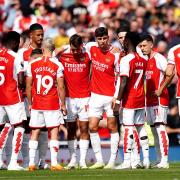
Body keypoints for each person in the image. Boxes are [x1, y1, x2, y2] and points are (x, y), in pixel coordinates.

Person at [26, 38, 66, 171]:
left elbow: (28, 85)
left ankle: (31, 163)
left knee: (35, 132)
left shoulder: (32, 64)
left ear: (43, 50)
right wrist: (64, 104)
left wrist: (30, 103)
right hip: (51, 103)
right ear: (53, 50)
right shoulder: (58, 65)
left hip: (37, 103)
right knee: (54, 131)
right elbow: (61, 87)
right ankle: (54, 162)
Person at [113, 32, 149, 169]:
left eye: (124, 40)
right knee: (140, 127)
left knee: (127, 128)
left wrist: (117, 102)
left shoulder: (126, 60)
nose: (123, 42)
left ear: (127, 41)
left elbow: (123, 81)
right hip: (141, 98)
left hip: (130, 99)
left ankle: (127, 161)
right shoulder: (143, 59)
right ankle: (144, 160)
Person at [85, 27, 120, 169]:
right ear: (96, 39)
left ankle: (111, 161)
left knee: (112, 127)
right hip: (95, 96)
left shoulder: (116, 54)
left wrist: (116, 96)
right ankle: (99, 160)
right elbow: (75, 46)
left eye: (104, 38)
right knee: (92, 126)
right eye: (99, 39)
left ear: (108, 37)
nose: (102, 41)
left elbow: (119, 77)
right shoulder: (90, 47)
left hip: (110, 96)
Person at [18, 23, 49, 169]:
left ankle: (43, 161)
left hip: (43, 96)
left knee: (43, 129)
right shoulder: (22, 54)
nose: (41, 37)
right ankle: (26, 161)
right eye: (38, 34)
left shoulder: (47, 52)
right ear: (31, 35)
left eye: (42, 34)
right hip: (26, 97)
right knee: (26, 129)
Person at [58, 34, 90, 169]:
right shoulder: (63, 55)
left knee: (84, 128)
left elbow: (101, 49)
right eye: (73, 49)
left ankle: (82, 161)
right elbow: (49, 53)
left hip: (85, 97)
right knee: (71, 129)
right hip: (69, 98)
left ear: (81, 46)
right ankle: (73, 159)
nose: (75, 52)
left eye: (78, 49)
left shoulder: (88, 54)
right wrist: (64, 47)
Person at [139, 34, 170, 168]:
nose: (142, 48)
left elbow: (170, 73)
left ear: (152, 44)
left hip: (159, 98)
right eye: (140, 46)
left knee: (160, 127)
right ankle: (159, 159)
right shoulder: (144, 60)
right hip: (149, 100)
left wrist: (161, 89)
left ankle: (165, 160)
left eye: (145, 45)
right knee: (153, 130)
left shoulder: (159, 58)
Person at [0, 31, 26, 170]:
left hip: (0, 97)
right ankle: (13, 162)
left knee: (2, 127)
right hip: (12, 97)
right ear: (15, 42)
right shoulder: (15, 57)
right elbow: (21, 80)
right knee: (19, 126)